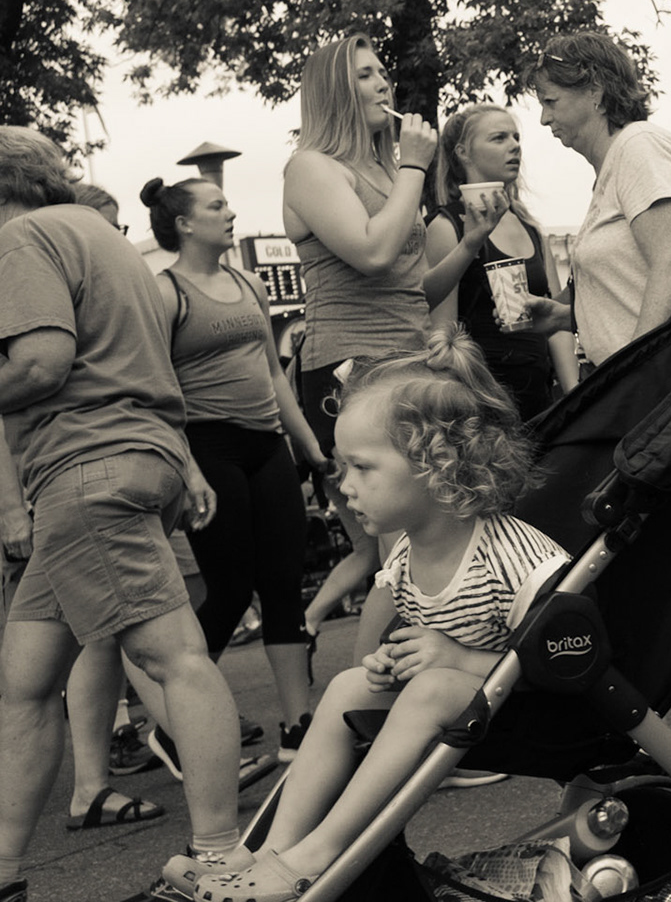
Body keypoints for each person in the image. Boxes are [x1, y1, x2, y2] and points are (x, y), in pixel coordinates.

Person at [163, 332, 569, 901]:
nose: (344, 487)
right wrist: (389, 661)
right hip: (471, 703)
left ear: (437, 464)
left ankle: (319, 853)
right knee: (354, 682)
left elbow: (567, 654)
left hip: (540, 711)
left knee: (429, 690)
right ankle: (270, 855)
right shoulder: (404, 555)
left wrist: (458, 659)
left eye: (360, 467)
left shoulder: (509, 552)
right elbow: (421, 646)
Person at [0, 128, 242, 900]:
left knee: (176, 659)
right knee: (29, 680)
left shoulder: (21, 238)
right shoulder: (102, 236)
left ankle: (221, 859)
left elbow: (41, 362)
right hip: (135, 460)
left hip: (85, 470)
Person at [284, 33, 502, 638]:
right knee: (400, 544)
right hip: (349, 369)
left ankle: (424, 670)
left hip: (405, 363)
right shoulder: (311, 167)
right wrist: (413, 166)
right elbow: (374, 254)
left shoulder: (383, 171)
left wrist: (470, 242)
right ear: (334, 91)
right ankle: (379, 690)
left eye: (383, 70)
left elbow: (412, 290)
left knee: (432, 529)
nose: (384, 82)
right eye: (364, 75)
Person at [140, 175, 330, 765]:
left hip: (266, 444)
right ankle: (175, 725)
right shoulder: (166, 293)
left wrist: (314, 452)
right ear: (183, 224)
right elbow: (157, 391)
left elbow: (274, 377)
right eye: (216, 205)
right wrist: (188, 468)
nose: (230, 212)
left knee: (283, 584)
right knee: (228, 589)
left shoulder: (248, 283)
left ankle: (299, 728)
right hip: (207, 447)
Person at [526, 31, 671, 370]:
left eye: (551, 102)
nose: (544, 119)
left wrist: (631, 373)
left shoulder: (640, 146)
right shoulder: (616, 161)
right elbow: (631, 290)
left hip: (659, 380)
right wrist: (565, 316)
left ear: (595, 93)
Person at [425, 105, 578, 423]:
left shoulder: (531, 227)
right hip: (480, 406)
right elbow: (442, 333)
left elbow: (554, 324)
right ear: (464, 153)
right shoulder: (447, 225)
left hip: (539, 402)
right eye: (498, 138)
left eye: (516, 137)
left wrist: (573, 396)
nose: (514, 145)